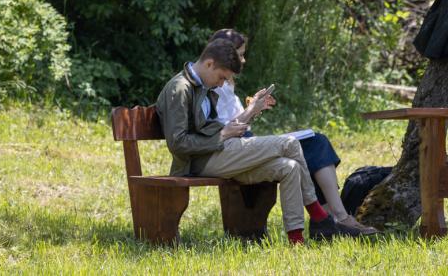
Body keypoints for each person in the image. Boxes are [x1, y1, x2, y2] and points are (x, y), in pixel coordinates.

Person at [155, 38, 361, 244]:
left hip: (219, 154)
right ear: (209, 64)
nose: (221, 84)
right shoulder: (180, 89)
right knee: (289, 143)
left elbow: (214, 129)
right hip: (200, 162)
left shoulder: (202, 86)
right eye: (221, 77)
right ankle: (320, 219)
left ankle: (296, 241)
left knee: (289, 168)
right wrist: (223, 135)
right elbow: (178, 143)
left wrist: (251, 111)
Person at [208, 29, 378, 235]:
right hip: (233, 150)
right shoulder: (213, 84)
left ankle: (331, 217)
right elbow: (225, 129)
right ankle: (333, 218)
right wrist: (252, 110)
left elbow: (236, 123)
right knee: (305, 146)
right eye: (240, 54)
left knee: (316, 142)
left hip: (243, 144)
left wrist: (254, 108)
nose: (243, 61)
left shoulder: (226, 83)